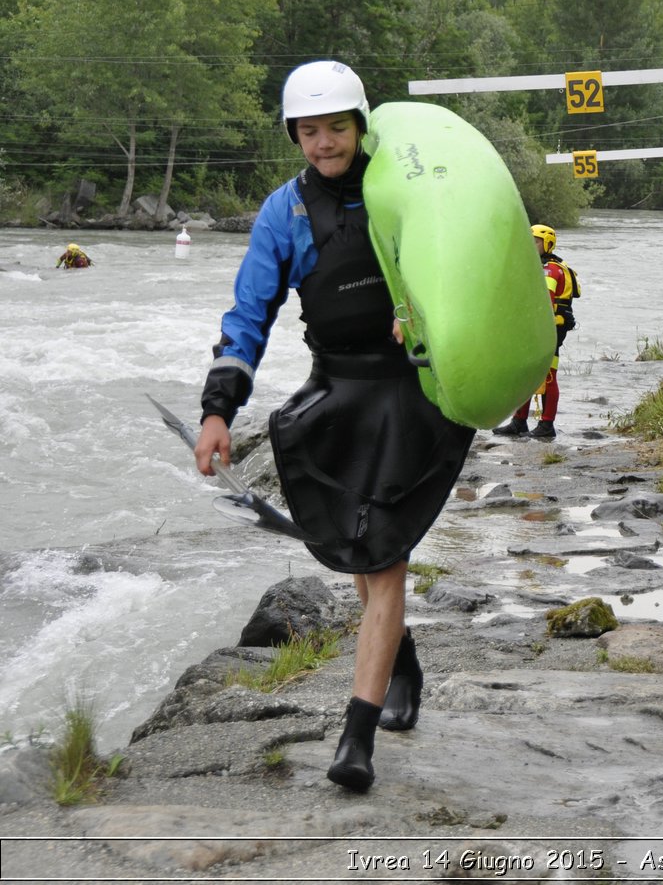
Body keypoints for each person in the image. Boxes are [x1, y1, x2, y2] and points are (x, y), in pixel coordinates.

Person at [193, 60, 474, 794]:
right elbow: (248, 315)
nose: (324, 143)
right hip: (337, 389)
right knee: (362, 547)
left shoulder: (401, 190)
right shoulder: (283, 214)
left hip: (409, 391)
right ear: (294, 135)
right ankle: (402, 660)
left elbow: (456, 263)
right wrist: (218, 409)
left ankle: (357, 736)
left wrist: (429, 309)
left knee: (383, 561)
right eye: (309, 130)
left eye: (337, 127)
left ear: (361, 125)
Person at [492, 223, 580, 440]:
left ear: (547, 244)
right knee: (525, 374)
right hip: (537, 328)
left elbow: (545, 303)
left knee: (548, 375)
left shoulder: (551, 269)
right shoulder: (539, 265)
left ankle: (546, 425)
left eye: (537, 242)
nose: (532, 245)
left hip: (548, 330)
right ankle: (519, 422)